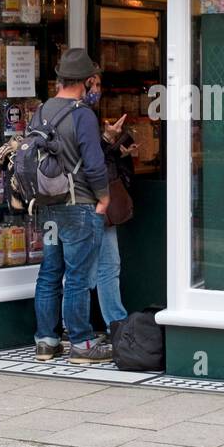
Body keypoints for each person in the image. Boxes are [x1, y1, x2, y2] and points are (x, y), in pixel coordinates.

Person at [32, 48, 113, 364]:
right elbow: (93, 165)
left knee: (50, 272)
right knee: (77, 276)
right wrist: (104, 198)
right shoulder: (82, 115)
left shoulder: (41, 111)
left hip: (48, 208)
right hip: (79, 206)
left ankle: (46, 341)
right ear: (87, 80)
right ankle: (81, 343)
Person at [87, 77, 135, 329]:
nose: (96, 91)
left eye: (99, 85)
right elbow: (87, 161)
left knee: (102, 266)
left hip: (97, 201)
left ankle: (113, 324)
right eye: (91, 85)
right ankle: (82, 327)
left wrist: (119, 152)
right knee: (89, 269)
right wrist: (106, 141)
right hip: (88, 201)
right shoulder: (79, 118)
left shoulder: (89, 115)